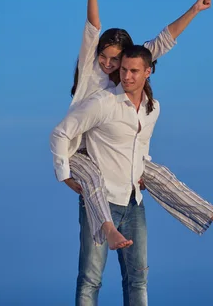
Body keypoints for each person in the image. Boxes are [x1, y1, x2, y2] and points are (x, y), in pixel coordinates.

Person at [52, 0, 213, 252]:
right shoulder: (90, 69)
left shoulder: (126, 76)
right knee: (95, 178)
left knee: (159, 174)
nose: (109, 64)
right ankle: (108, 230)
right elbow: (93, 27)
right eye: (105, 58)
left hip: (113, 153)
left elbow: (163, 40)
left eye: (116, 60)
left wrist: (195, 10)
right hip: (80, 152)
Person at [52, 45, 160, 305]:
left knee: (138, 279)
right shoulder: (104, 102)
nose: (127, 76)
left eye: (134, 71)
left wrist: (142, 168)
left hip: (133, 201)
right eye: (123, 69)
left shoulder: (152, 108)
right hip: (101, 200)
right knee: (91, 279)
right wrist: (64, 175)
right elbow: (60, 133)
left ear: (147, 72)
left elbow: (141, 145)